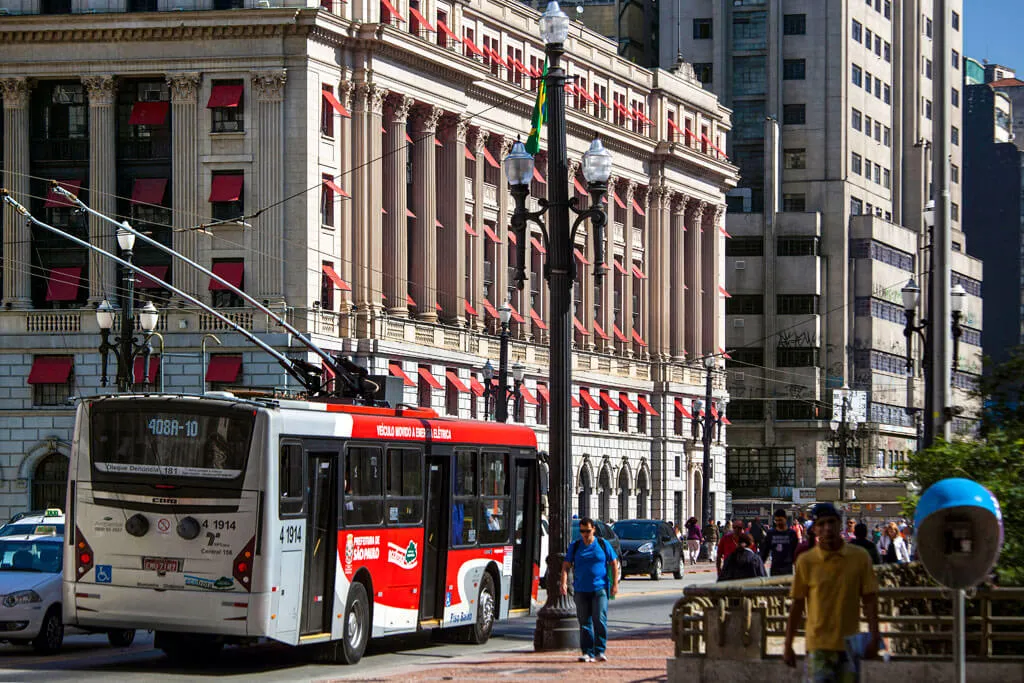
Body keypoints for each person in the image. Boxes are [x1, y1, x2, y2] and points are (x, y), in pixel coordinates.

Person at [784, 503, 880, 681]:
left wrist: (875, 637)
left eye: (831, 522)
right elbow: (797, 604)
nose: (827, 528)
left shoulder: (860, 557)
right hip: (818, 646)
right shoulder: (806, 561)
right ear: (815, 530)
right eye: (821, 524)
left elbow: (870, 600)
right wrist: (788, 644)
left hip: (849, 646)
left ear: (840, 525)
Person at [561, 517, 619, 663]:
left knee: (599, 618)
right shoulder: (575, 546)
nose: (584, 534)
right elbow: (566, 566)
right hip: (581, 589)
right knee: (584, 622)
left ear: (593, 529)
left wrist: (614, 584)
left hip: (600, 588)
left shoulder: (602, 544)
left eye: (587, 531)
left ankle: (600, 650)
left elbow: (613, 563)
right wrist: (563, 583)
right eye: (582, 531)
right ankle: (587, 652)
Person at [760, 508, 799, 576]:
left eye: (780, 520)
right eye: (776, 520)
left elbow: (795, 552)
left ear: (785, 519)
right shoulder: (771, 534)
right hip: (775, 568)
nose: (778, 522)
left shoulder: (791, 534)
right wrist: (760, 565)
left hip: (787, 568)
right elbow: (765, 552)